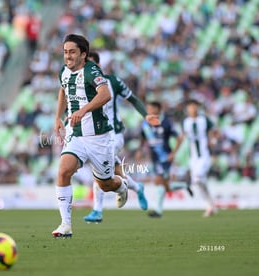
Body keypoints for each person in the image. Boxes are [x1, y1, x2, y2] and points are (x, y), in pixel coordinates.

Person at [52, 34, 132, 238]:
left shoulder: (91, 70)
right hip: (76, 134)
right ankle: (65, 225)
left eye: (72, 52)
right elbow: (63, 91)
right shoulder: (64, 71)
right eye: (65, 52)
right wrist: (58, 118)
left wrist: (83, 110)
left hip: (98, 137)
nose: (67, 56)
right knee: (63, 172)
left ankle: (122, 186)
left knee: (106, 184)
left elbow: (105, 94)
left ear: (83, 54)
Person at [83, 51, 159, 223]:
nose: (89, 69)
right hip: (95, 136)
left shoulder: (113, 82)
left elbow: (132, 99)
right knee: (107, 171)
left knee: (98, 166)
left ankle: (97, 211)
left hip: (114, 134)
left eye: (92, 65)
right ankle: (135, 186)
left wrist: (146, 115)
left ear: (99, 66)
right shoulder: (81, 86)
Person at [140, 101, 193, 218]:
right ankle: (183, 185)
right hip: (154, 158)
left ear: (158, 109)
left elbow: (180, 137)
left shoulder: (167, 122)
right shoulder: (145, 123)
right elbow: (143, 137)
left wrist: (173, 153)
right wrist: (140, 150)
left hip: (164, 157)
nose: (148, 111)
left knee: (158, 181)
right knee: (164, 185)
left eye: (150, 108)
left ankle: (158, 211)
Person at [180, 99, 217, 217]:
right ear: (187, 109)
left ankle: (209, 206)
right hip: (193, 157)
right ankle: (211, 205)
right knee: (199, 182)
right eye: (190, 106)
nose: (193, 108)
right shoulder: (185, 122)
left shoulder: (204, 120)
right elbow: (182, 136)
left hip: (204, 155)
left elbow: (215, 132)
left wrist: (213, 141)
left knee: (198, 178)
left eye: (194, 106)